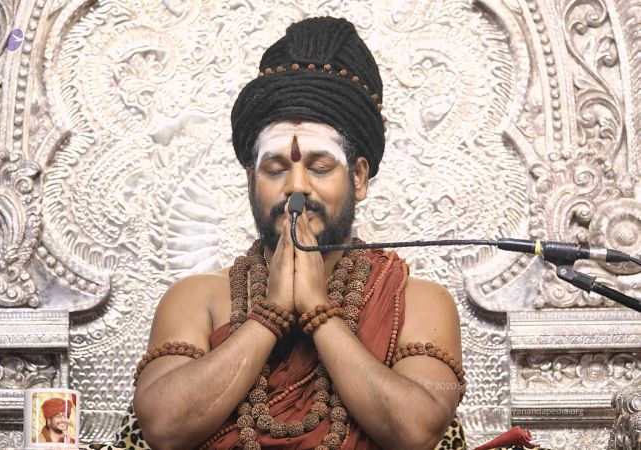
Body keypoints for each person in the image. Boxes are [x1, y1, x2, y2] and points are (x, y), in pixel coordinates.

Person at [133, 17, 463, 450]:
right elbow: (163, 428)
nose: (296, 187)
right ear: (250, 179)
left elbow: (416, 431)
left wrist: (317, 310)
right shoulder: (197, 298)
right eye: (274, 169)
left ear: (358, 178)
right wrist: (270, 313)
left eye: (320, 167)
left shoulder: (415, 301)